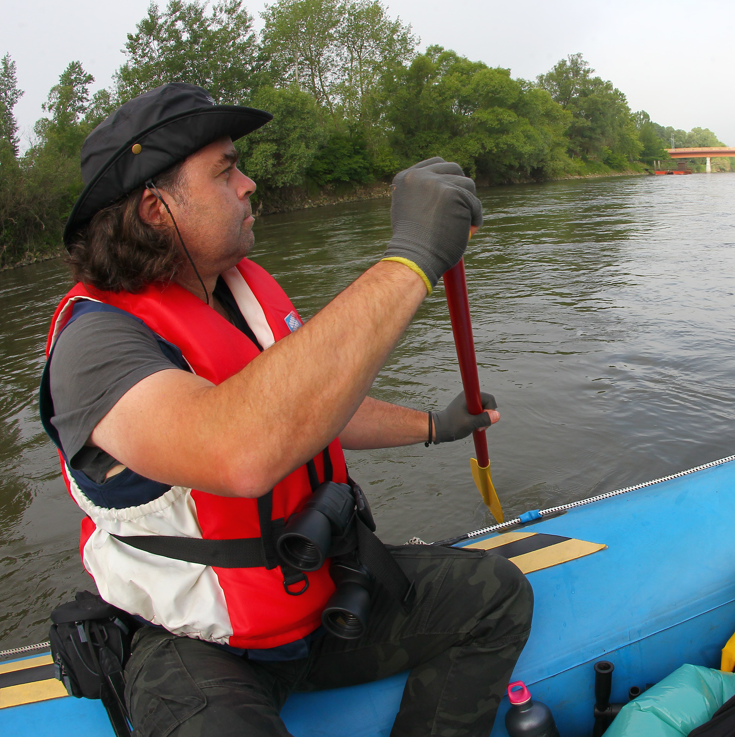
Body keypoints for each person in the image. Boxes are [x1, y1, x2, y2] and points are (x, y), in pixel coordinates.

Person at [39, 82, 533, 737]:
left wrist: (436, 426)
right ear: (156, 208)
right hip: (193, 641)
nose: (248, 184)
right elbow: (240, 450)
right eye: (225, 171)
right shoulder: (96, 345)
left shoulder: (238, 292)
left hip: (318, 595)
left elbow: (308, 413)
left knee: (496, 596)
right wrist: (412, 255)